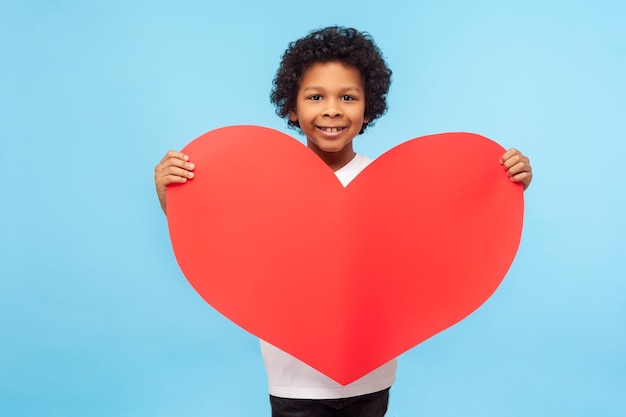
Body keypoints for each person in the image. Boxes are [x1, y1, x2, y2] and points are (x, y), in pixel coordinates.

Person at [154, 26, 533, 417]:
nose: (332, 109)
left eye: (347, 97)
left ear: (368, 108)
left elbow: (445, 235)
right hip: (294, 382)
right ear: (291, 106)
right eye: (315, 97)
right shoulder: (266, 184)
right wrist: (173, 197)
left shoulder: (391, 184)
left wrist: (505, 184)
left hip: (372, 379)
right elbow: (219, 241)